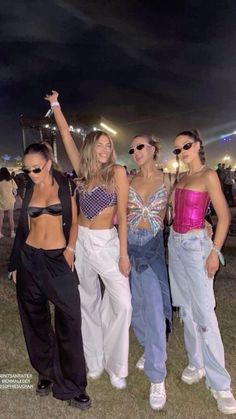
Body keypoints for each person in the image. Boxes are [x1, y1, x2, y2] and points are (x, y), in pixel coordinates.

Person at [44, 91, 132, 390]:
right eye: (101, 144)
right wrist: (56, 106)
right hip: (82, 243)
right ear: (91, 147)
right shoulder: (82, 171)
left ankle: (117, 365)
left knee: (123, 303)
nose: (106, 149)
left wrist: (123, 254)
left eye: (109, 144)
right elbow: (67, 137)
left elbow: (123, 214)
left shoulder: (118, 172)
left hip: (107, 243)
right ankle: (94, 360)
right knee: (88, 303)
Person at [8, 143, 91, 410]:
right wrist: (15, 265)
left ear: (49, 162)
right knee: (34, 319)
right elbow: (23, 230)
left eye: (36, 168)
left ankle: (74, 384)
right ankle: (46, 373)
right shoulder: (28, 188)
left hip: (58, 260)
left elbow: (75, 222)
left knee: (70, 319)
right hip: (30, 259)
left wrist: (70, 248)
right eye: (27, 169)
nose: (31, 173)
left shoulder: (66, 187)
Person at [168, 129, 236, 415]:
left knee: (205, 313)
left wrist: (214, 251)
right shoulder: (180, 178)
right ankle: (196, 364)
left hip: (197, 248)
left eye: (186, 145)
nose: (181, 151)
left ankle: (221, 385)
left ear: (198, 145)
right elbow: (173, 215)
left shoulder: (209, 175)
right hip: (175, 243)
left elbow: (224, 215)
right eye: (177, 149)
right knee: (187, 310)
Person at [127, 135, 172, 410]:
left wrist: (204, 223)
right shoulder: (129, 180)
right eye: (132, 149)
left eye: (140, 146)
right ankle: (147, 347)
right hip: (130, 252)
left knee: (155, 308)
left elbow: (179, 211)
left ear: (153, 148)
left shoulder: (168, 180)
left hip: (152, 253)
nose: (135, 152)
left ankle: (157, 377)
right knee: (137, 307)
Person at [0, 167, 17, 238]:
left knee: (0, 218)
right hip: (10, 201)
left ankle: (0, 233)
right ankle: (12, 233)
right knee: (11, 217)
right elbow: (15, 192)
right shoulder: (11, 181)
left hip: (1, 201)